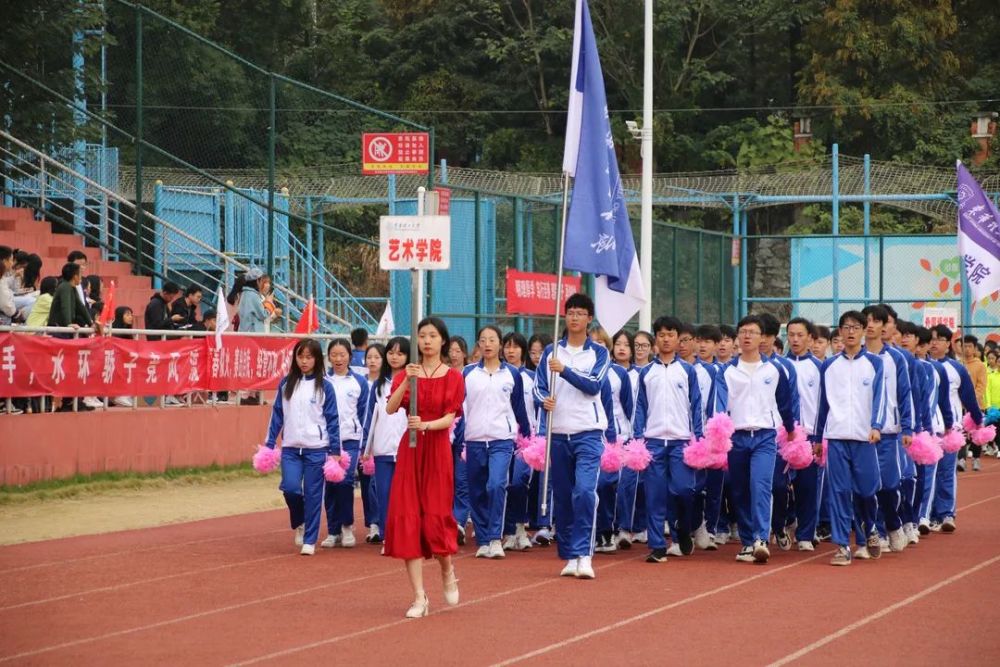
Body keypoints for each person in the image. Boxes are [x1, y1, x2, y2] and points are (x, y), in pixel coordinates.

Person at [385, 317, 464, 618]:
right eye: (421, 336)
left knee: (435, 519)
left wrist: (426, 424)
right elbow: (391, 408)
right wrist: (407, 379)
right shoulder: (410, 373)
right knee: (408, 519)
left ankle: (447, 568)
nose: (427, 341)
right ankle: (419, 597)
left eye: (432, 336)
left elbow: (450, 417)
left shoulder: (454, 377)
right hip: (411, 450)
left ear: (443, 340)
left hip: (437, 449)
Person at [534, 293, 610, 579]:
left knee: (584, 492)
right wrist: (544, 400)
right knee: (564, 497)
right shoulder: (552, 351)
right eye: (570, 313)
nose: (574, 318)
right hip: (559, 432)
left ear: (589, 319)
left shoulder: (598, 353)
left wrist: (564, 370)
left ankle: (584, 554)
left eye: (580, 313)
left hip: (588, 432)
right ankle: (568, 554)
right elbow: (538, 387)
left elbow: (594, 386)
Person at [712, 314, 796, 564]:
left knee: (760, 485)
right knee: (739, 490)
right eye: (743, 332)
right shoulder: (727, 372)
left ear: (762, 337)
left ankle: (760, 537)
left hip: (764, 436)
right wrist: (718, 431)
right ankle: (748, 542)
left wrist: (790, 429)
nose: (747, 336)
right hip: (736, 437)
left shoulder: (775, 369)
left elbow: (785, 402)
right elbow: (719, 404)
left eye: (752, 332)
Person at [814, 311, 886, 566]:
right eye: (846, 327)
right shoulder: (829, 365)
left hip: (865, 438)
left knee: (866, 490)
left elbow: (881, 398)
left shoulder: (875, 363)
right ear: (840, 333)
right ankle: (842, 545)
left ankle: (871, 530)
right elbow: (822, 404)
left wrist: (877, 426)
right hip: (836, 437)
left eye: (856, 327)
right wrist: (816, 437)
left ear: (864, 331)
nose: (851, 332)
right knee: (839, 492)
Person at [633, 316, 704, 563]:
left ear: (677, 338)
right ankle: (657, 545)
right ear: (656, 339)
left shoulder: (687, 371)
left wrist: (699, 437)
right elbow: (639, 408)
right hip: (653, 441)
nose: (666, 339)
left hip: (681, 441)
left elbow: (697, 407)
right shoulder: (646, 373)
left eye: (670, 334)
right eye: (661, 334)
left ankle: (682, 530)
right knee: (654, 495)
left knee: (684, 490)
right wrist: (637, 439)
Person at [263, 338, 341, 556]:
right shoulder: (286, 383)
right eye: (300, 356)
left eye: (309, 357)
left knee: (314, 494)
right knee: (290, 488)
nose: (304, 361)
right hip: (290, 449)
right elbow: (277, 414)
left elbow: (333, 419)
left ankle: (310, 539)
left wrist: (335, 451)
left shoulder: (325, 386)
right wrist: (269, 443)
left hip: (317, 448)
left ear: (317, 359)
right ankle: (300, 521)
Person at [459, 325, 531, 559]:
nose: (487, 344)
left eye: (492, 340)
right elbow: (458, 408)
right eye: (483, 340)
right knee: (477, 490)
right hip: (475, 439)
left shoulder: (512, 374)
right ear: (478, 345)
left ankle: (494, 538)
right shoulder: (468, 373)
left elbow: (519, 408)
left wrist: (527, 438)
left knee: (496, 484)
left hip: (502, 439)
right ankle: (483, 539)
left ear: (499, 344)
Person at [854, 306, 912, 557]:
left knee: (889, 485)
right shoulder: (855, 356)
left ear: (884, 326)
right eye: (865, 321)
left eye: (876, 321)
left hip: (889, 431)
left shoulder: (896, 358)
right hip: (861, 432)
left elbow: (905, 393)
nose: (870, 325)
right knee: (867, 487)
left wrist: (908, 427)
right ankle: (874, 533)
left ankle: (893, 523)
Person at [928, 324, 982, 531]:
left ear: (948, 343)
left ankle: (946, 514)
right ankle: (928, 514)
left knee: (947, 471)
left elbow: (968, 397)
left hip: (951, 430)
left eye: (939, 339)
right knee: (927, 474)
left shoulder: (957, 368)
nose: (934, 343)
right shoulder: (922, 365)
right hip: (929, 428)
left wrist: (978, 420)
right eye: (931, 339)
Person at [321, 339, 369, 549]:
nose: (338, 359)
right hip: (326, 441)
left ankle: (347, 525)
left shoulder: (359, 381)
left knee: (344, 482)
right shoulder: (322, 381)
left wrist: (364, 443)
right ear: (328, 357)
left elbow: (364, 414)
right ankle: (333, 530)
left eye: (342, 355)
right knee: (330, 485)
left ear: (350, 356)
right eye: (334, 355)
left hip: (350, 439)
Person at [363, 337, 410, 545]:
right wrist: (367, 447)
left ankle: (407, 534)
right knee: (384, 494)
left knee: (406, 495)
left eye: (400, 353)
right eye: (391, 352)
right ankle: (387, 536)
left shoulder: (413, 382)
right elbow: (370, 417)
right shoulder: (379, 386)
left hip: (407, 448)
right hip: (383, 449)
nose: (394, 357)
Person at [784, 317, 824, 551]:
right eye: (791, 335)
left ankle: (806, 533)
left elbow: (824, 404)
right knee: (780, 487)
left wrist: (819, 436)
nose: (795, 339)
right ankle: (786, 522)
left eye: (800, 335)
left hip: (809, 435)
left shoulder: (820, 367)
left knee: (808, 487)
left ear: (810, 338)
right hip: (782, 436)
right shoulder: (777, 365)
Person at [589, 327, 628, 554]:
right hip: (588, 434)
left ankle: (609, 529)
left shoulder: (618, 374)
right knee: (589, 486)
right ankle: (593, 531)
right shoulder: (580, 372)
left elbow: (627, 405)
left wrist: (617, 438)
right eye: (593, 342)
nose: (597, 347)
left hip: (614, 438)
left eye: (601, 343)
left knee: (607, 484)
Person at [500, 331, 539, 551]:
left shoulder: (531, 377)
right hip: (502, 437)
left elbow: (540, 408)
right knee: (502, 483)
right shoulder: (499, 375)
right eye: (507, 346)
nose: (510, 351)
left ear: (522, 351)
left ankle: (521, 528)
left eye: (515, 347)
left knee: (519, 482)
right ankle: (508, 532)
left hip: (527, 440)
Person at [446, 334, 472, 543]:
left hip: (467, 432)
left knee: (462, 478)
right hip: (445, 430)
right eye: (451, 351)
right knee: (447, 479)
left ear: (465, 353)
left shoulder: (471, 374)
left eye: (458, 351)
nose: (454, 355)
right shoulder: (443, 374)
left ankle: (460, 522)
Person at [359, 343, 386, 541]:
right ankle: (374, 523)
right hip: (368, 440)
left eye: (377, 357)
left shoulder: (388, 383)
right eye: (370, 357)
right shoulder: (362, 383)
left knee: (379, 485)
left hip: (386, 442)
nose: (373, 361)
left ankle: (382, 523)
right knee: (369, 485)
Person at [960, 334, 988, 471]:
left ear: (975, 348)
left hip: (976, 404)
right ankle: (961, 459)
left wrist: (971, 399)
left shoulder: (980, 365)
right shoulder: (959, 364)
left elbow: (982, 385)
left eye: (969, 346)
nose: (966, 349)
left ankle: (976, 458)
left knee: (977, 433)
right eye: (964, 346)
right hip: (960, 405)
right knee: (961, 433)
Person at [237, 268, 269, 334]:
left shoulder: (244, 293)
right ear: (257, 281)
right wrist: (268, 303)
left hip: (244, 330)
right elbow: (263, 315)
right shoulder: (254, 296)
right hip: (253, 332)